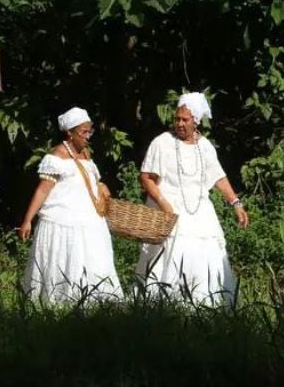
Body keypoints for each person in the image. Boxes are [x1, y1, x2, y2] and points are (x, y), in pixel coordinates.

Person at [137, 92, 249, 306]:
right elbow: (146, 177)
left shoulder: (204, 146)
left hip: (200, 211)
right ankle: (169, 304)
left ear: (196, 121)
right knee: (175, 253)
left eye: (184, 120)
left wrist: (236, 203)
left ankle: (206, 304)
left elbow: (218, 176)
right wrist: (164, 204)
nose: (179, 123)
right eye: (177, 118)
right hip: (170, 209)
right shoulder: (162, 143)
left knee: (206, 254)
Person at [18, 107, 123, 304]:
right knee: (68, 262)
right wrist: (27, 220)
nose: (88, 136)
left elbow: (92, 183)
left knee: (95, 262)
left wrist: (102, 187)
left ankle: (99, 303)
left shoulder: (86, 155)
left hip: (90, 221)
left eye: (89, 131)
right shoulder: (56, 157)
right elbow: (43, 190)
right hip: (63, 220)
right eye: (83, 132)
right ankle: (64, 301)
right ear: (70, 133)